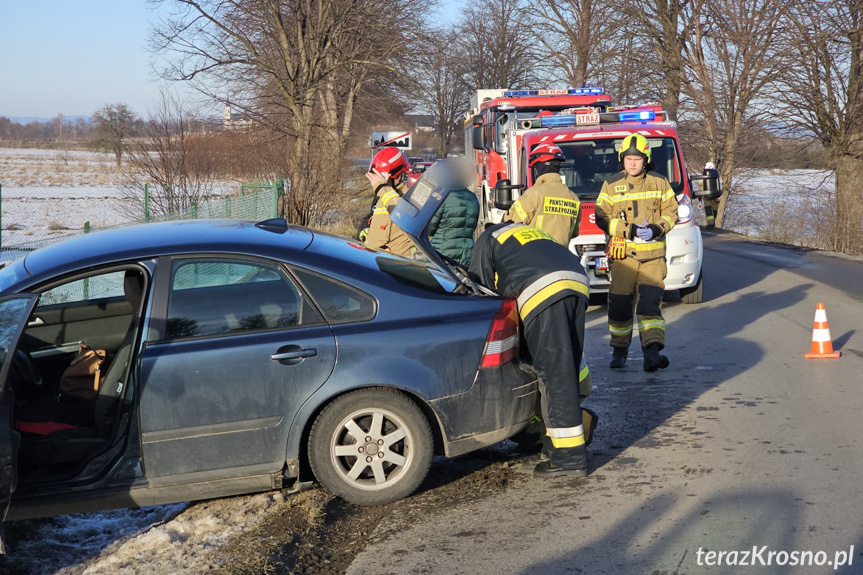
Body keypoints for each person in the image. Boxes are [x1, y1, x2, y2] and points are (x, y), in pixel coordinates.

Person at [468, 222, 595, 477]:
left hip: (542, 288)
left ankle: (569, 458)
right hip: (578, 281)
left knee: (554, 371)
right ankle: (556, 444)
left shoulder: (487, 238)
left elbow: (480, 289)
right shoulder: (529, 233)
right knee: (566, 360)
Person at [594, 133, 678, 372]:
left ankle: (652, 353)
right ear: (623, 159)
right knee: (620, 305)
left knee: (650, 305)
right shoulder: (610, 184)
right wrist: (627, 229)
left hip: (653, 258)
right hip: (624, 259)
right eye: (629, 158)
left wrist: (656, 228)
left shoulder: (660, 182)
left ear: (645, 159)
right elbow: (602, 216)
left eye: (638, 158)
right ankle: (619, 350)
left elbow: (672, 212)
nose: (633, 163)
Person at [504, 143, 582, 247]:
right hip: (562, 257)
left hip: (535, 258)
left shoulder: (534, 194)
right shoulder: (573, 198)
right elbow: (574, 233)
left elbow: (510, 223)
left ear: (540, 166)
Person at [364, 147, 415, 257]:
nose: (375, 183)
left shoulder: (407, 198)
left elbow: (402, 213)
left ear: (397, 177)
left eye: (380, 178)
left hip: (397, 264)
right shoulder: (384, 194)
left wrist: (382, 187)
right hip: (377, 260)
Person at [428, 187, 480, 267]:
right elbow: (473, 226)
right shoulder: (472, 197)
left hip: (442, 253)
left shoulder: (443, 197)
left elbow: (430, 230)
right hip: (466, 253)